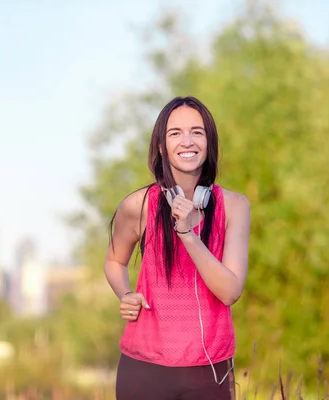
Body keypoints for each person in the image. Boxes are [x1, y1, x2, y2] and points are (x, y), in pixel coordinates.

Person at [104, 96, 250, 400]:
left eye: (197, 132)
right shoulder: (137, 205)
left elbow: (230, 291)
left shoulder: (235, 207)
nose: (188, 141)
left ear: (209, 143)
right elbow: (115, 262)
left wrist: (187, 234)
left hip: (210, 369)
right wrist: (125, 294)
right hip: (144, 369)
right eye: (175, 133)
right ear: (160, 146)